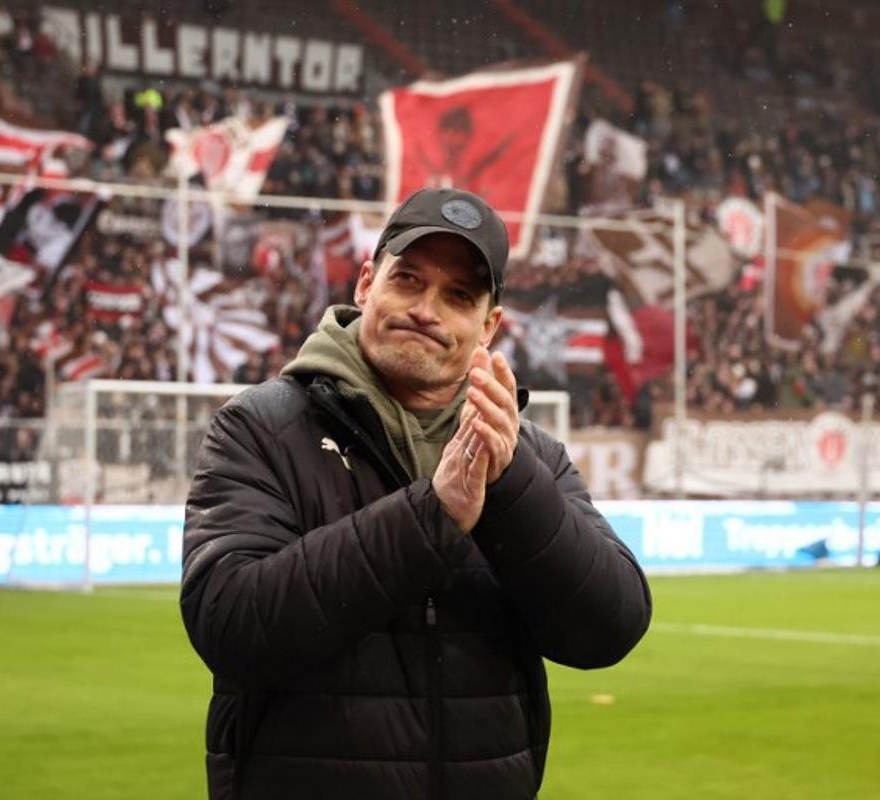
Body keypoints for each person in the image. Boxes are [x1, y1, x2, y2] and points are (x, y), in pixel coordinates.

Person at [180, 187, 652, 799]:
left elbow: (610, 628)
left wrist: (508, 486)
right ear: (366, 284)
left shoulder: (528, 456)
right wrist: (434, 515)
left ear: (488, 326)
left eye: (458, 296)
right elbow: (231, 624)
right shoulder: (261, 426)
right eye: (409, 280)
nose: (427, 309)